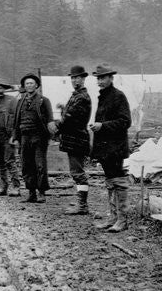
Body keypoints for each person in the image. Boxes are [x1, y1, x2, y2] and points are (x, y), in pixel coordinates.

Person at [90, 64, 133, 232]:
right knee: (109, 181)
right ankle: (113, 217)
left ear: (111, 78)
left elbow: (125, 122)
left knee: (118, 181)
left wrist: (103, 126)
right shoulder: (103, 97)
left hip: (115, 147)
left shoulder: (118, 96)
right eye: (98, 78)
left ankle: (122, 220)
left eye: (103, 78)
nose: (100, 81)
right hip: (104, 148)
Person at [51, 66, 94, 216]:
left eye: (78, 77)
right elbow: (70, 113)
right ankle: (81, 203)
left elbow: (70, 118)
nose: (75, 80)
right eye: (73, 78)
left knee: (78, 172)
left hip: (77, 139)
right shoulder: (77, 95)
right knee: (76, 171)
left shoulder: (81, 97)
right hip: (74, 138)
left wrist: (56, 127)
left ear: (83, 79)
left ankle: (82, 205)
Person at [13, 73, 53, 203]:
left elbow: (50, 119)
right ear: (24, 86)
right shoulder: (20, 102)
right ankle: (31, 193)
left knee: (40, 165)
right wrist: (15, 137)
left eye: (31, 83)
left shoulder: (43, 100)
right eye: (27, 83)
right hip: (25, 137)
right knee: (26, 165)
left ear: (36, 85)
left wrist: (49, 134)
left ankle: (41, 192)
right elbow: (16, 121)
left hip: (39, 137)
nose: (29, 85)